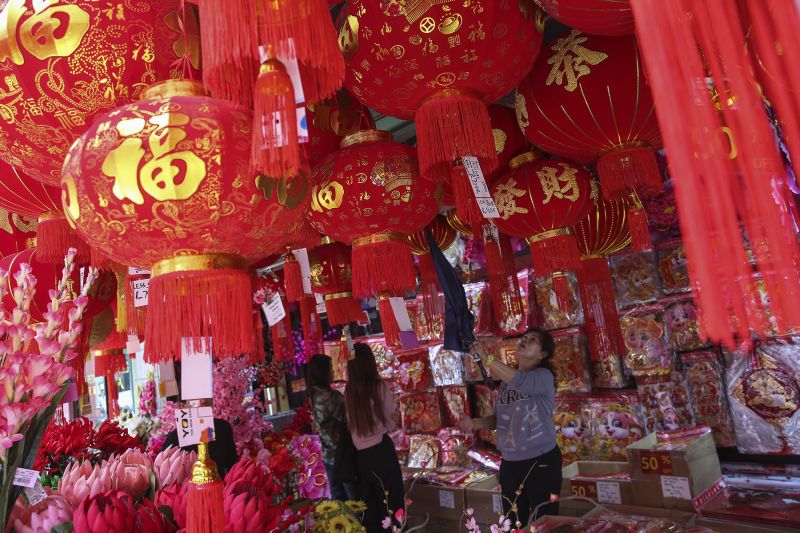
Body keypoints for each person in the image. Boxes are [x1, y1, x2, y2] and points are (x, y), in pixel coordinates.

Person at [459, 327, 562, 529]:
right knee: (512, 523)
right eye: (524, 337)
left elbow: (520, 381)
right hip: (511, 464)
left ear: (542, 354)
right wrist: (476, 423)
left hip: (540, 461)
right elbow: (498, 419)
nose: (525, 340)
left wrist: (485, 357)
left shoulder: (543, 377)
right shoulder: (506, 384)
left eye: (532, 339)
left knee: (545, 522)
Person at [345, 343, 404, 532]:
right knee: (392, 506)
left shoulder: (349, 392)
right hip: (382, 452)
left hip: (360, 457)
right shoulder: (379, 386)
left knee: (370, 511)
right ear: (371, 363)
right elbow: (391, 423)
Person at [306, 353, 357, 500]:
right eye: (330, 369)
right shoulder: (328, 397)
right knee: (354, 500)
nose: (333, 372)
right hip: (342, 455)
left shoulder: (314, 395)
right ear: (322, 372)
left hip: (328, 456)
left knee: (339, 499)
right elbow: (349, 417)